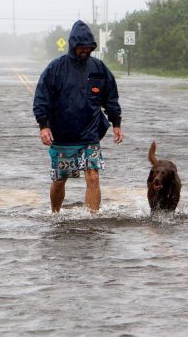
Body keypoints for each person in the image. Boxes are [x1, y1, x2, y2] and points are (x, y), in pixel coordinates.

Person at [33, 20, 124, 213]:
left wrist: (116, 123)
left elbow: (110, 98)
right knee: (59, 180)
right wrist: (43, 126)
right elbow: (42, 98)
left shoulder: (99, 69)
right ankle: (55, 215)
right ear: (73, 46)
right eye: (81, 47)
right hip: (63, 136)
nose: (85, 51)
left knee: (93, 176)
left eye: (88, 48)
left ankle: (93, 219)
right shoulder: (55, 68)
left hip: (90, 135)